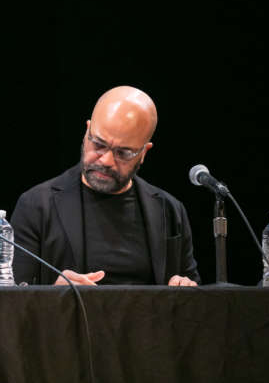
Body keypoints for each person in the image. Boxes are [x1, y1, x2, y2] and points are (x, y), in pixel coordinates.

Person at [11, 86, 200, 286]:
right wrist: (54, 295)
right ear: (86, 132)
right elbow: (11, 302)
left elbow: (196, 302)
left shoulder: (170, 210)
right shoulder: (37, 206)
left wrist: (184, 289)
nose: (107, 160)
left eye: (123, 153)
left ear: (144, 152)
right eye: (99, 145)